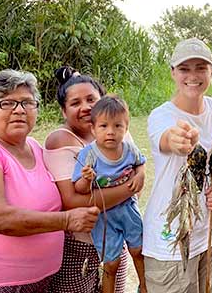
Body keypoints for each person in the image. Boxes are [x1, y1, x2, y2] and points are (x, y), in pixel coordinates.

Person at [0, 69, 99, 292]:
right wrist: (66, 220)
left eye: (27, 102)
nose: (19, 110)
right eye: (7, 103)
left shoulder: (36, 149)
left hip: (42, 281)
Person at [144, 37, 212, 293]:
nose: (193, 75)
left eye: (201, 67)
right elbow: (168, 139)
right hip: (170, 238)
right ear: (173, 73)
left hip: (209, 233)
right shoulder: (162, 115)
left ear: (211, 72)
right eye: (184, 68)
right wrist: (180, 140)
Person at [44, 66, 135, 293]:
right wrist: (129, 189)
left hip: (117, 237)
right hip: (79, 247)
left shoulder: (119, 131)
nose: (85, 107)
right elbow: (73, 201)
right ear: (64, 111)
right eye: (75, 103)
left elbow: (136, 171)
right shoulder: (60, 140)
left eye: (91, 99)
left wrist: (132, 183)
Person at [73, 95, 147, 293]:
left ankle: (146, 287)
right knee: (111, 263)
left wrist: (140, 176)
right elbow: (79, 188)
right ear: (93, 129)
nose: (111, 132)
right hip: (104, 217)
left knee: (138, 251)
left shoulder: (130, 149)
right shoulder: (89, 155)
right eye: (104, 126)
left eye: (118, 126)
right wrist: (86, 178)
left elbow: (141, 164)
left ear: (126, 128)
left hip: (129, 209)